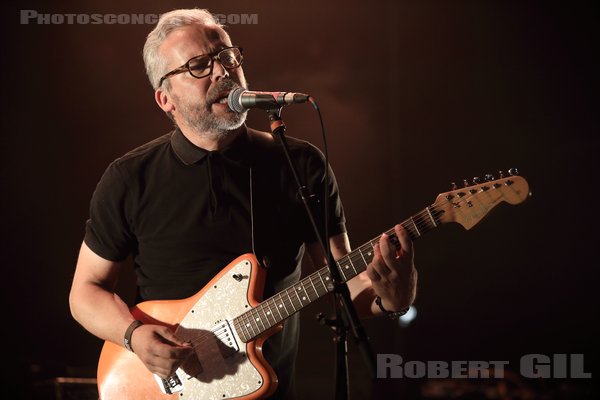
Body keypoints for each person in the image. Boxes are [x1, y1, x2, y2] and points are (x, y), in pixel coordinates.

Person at [69, 8, 417, 399]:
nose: (221, 72)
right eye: (199, 65)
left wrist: (392, 299)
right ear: (165, 98)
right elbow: (85, 292)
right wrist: (133, 336)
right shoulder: (130, 178)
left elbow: (344, 282)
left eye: (227, 57)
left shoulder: (300, 165)